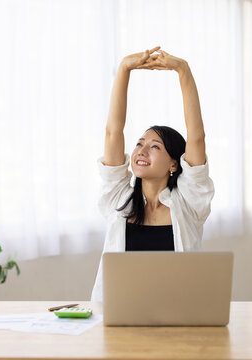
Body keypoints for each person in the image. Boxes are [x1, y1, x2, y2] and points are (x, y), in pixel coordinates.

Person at [91, 46, 215, 301]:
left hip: (179, 318)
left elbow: (197, 136)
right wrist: (125, 68)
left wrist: (183, 70)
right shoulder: (119, 200)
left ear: (173, 164)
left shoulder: (188, 203)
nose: (141, 150)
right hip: (123, 318)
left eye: (155, 146)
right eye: (140, 143)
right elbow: (113, 132)